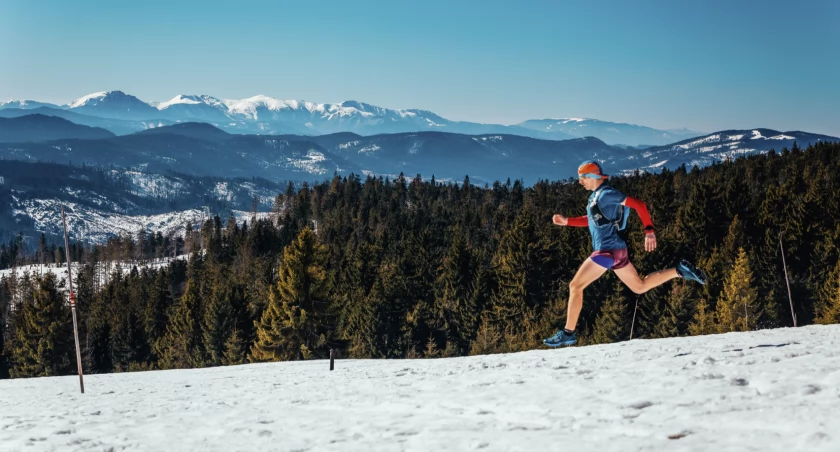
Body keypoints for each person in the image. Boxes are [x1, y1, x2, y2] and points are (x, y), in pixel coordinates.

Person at [543, 160, 707, 347]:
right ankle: (679, 271)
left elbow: (639, 204)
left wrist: (649, 231)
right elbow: (591, 220)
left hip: (606, 251)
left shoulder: (607, 194)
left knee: (575, 286)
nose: (580, 182)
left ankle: (568, 333)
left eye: (583, 178)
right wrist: (567, 222)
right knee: (640, 286)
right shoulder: (596, 197)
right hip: (617, 251)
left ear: (593, 177)